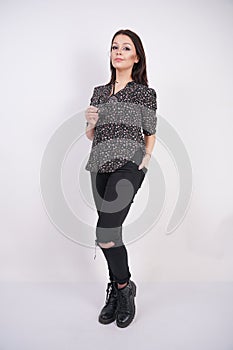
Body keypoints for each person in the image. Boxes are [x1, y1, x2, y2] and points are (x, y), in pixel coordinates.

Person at [84, 29, 157, 328]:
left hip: (129, 164)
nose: (118, 51)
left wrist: (144, 160)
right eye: (115, 47)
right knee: (110, 235)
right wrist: (90, 123)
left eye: (126, 48)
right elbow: (92, 135)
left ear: (136, 57)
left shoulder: (144, 93)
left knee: (105, 232)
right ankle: (115, 287)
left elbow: (149, 132)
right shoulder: (99, 91)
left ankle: (125, 290)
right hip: (99, 164)